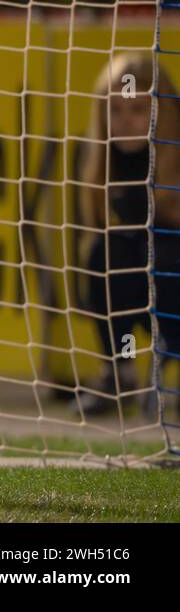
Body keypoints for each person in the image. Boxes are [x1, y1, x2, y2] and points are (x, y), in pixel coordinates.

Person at [73, 53, 180, 416]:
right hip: (140, 281)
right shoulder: (103, 164)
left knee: (164, 252)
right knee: (103, 255)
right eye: (115, 111)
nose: (125, 122)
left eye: (136, 110)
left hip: (171, 279)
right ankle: (119, 371)